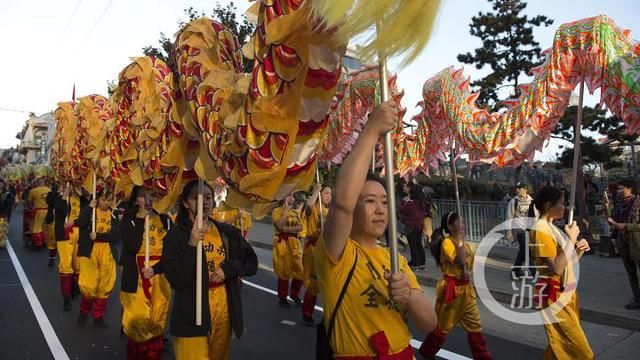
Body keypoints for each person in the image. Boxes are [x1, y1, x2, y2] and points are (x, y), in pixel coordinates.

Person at [316, 100, 437, 358]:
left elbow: (429, 324)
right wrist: (372, 130)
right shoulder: (338, 253)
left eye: (384, 202)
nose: (381, 209)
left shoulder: (394, 260)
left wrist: (410, 297)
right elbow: (341, 204)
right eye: (369, 201)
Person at [163, 180, 257, 359]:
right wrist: (191, 244)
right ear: (185, 203)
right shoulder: (175, 236)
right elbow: (177, 279)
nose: (204, 202)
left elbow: (251, 262)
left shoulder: (226, 232)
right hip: (191, 313)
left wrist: (227, 270)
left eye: (208, 197)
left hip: (223, 313)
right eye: (196, 198)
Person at [531, 186, 593, 359]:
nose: (565, 207)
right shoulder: (540, 230)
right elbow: (556, 268)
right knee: (581, 352)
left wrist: (579, 250)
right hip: (553, 294)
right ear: (549, 205)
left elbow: (567, 263)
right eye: (562, 203)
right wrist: (572, 238)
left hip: (565, 291)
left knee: (560, 346)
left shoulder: (552, 228)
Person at [420, 211, 492, 359]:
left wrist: (469, 275)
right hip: (452, 293)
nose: (463, 224)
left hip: (466, 291)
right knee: (443, 327)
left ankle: (483, 357)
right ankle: (427, 352)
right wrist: (459, 242)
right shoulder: (447, 243)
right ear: (450, 226)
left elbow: (468, 266)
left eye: (463, 221)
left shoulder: (463, 243)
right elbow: (460, 261)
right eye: (460, 222)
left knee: (475, 325)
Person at [119, 186, 171, 358]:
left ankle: (154, 350)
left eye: (152, 194)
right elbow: (132, 246)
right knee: (139, 319)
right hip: (136, 275)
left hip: (160, 276)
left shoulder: (166, 220)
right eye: (143, 196)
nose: (149, 199)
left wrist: (157, 269)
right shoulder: (129, 219)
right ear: (135, 200)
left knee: (158, 316)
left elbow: (173, 252)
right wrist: (141, 219)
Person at [76, 189, 119, 327]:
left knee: (105, 284)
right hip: (90, 249)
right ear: (97, 199)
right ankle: (84, 311)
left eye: (109, 200)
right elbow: (81, 223)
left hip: (107, 250)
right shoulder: (90, 211)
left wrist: (99, 236)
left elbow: (117, 235)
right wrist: (89, 207)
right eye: (103, 200)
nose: (106, 203)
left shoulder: (113, 214)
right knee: (89, 284)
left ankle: (98, 316)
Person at [605, 178, 640, 310]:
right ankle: (637, 298)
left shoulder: (637, 203)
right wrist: (606, 207)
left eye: (622, 188)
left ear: (630, 188)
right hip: (623, 243)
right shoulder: (620, 204)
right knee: (631, 272)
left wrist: (625, 226)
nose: (619, 191)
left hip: (637, 243)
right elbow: (612, 221)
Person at [301, 183, 331, 326]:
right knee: (313, 284)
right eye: (326, 193)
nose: (328, 197)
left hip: (326, 250)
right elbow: (307, 208)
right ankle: (307, 312)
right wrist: (316, 191)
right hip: (312, 249)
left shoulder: (329, 211)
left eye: (330, 194)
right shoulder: (314, 208)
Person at [272, 193, 306, 307]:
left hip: (295, 244)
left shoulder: (295, 213)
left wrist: (286, 229)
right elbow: (279, 226)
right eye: (288, 195)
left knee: (300, 271)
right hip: (282, 244)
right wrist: (285, 211)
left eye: (292, 195)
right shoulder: (277, 211)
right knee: (284, 271)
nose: (291, 198)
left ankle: (294, 294)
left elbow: (300, 227)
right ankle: (282, 297)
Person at [506, 182, 537, 278]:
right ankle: (535, 273)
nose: (517, 190)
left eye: (520, 188)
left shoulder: (532, 201)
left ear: (526, 189)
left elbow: (536, 216)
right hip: (519, 230)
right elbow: (509, 217)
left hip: (530, 230)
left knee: (523, 251)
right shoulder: (513, 202)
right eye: (517, 188)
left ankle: (515, 271)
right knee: (527, 251)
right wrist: (509, 231)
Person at [399, 184, 427, 269]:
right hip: (419, 225)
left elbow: (402, 210)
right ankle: (422, 262)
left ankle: (415, 262)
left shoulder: (410, 203)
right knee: (418, 244)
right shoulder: (421, 203)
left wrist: (404, 201)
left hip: (411, 226)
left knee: (413, 245)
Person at [26, 178, 51, 250]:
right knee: (45, 227)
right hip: (48, 211)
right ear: (44, 183)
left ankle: (38, 244)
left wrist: (31, 207)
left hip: (38, 211)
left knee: (36, 228)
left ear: (37, 183)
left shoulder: (33, 191)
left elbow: (29, 202)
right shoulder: (49, 190)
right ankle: (45, 242)